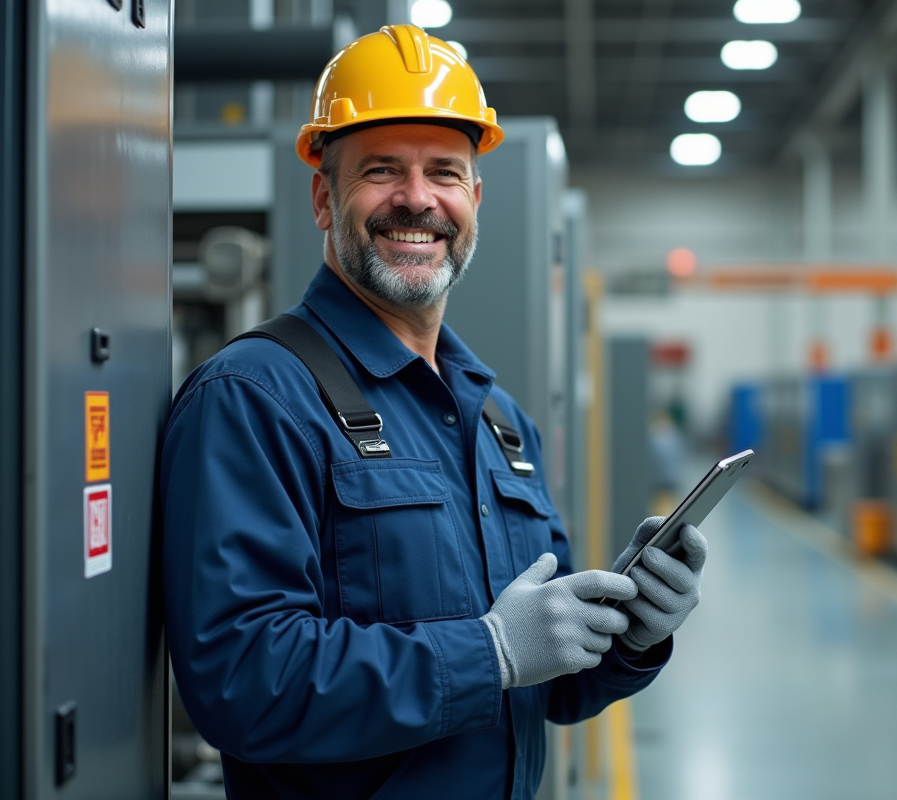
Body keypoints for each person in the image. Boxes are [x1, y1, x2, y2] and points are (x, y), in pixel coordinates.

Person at [160, 25, 707, 799]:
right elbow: (244, 681)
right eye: (381, 170)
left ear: (474, 201)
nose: (417, 198)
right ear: (323, 198)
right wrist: (491, 652)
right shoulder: (254, 397)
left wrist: (630, 633)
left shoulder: (500, 421)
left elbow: (545, 684)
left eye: (444, 172)